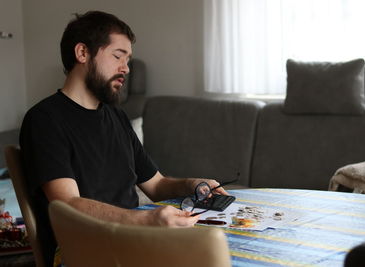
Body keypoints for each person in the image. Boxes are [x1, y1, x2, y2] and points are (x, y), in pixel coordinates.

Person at [19, 11, 228, 266]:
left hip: (133, 238)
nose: (126, 68)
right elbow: (68, 205)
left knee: (221, 247)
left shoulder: (116, 117)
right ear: (82, 53)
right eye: (118, 56)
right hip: (84, 250)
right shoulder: (44, 119)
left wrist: (193, 183)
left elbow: (157, 185)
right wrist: (148, 220)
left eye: (128, 60)